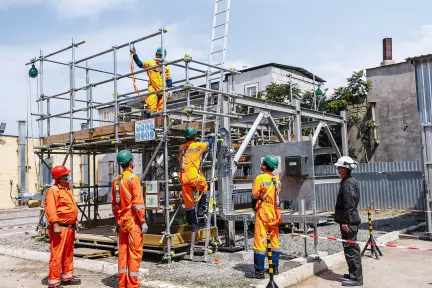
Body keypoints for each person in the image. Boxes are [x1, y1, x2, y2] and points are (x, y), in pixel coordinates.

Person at [112, 150, 147, 288]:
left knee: (123, 252)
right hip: (133, 222)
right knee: (134, 253)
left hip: (122, 221)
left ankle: (123, 284)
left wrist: (117, 220)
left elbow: (115, 205)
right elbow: (138, 203)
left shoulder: (116, 179)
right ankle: (133, 285)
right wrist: (143, 221)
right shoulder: (133, 178)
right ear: (130, 162)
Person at [45, 165, 81, 287]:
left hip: (69, 227)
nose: (68, 177)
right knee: (57, 254)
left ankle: (67, 277)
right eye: (66, 175)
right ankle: (54, 282)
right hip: (60, 227)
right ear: (60, 178)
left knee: (68, 253)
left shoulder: (67, 189)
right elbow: (51, 209)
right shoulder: (53, 191)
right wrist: (55, 225)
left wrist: (75, 220)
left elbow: (71, 207)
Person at [248, 155, 282, 279]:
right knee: (274, 241)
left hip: (263, 212)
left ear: (265, 165)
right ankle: (275, 268)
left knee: (260, 242)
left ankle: (259, 272)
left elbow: (254, 197)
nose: (261, 164)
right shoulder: (277, 180)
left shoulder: (260, 178)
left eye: (263, 163)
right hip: (274, 213)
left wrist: (253, 209)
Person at [178, 126, 215, 231]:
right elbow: (208, 143)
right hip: (194, 177)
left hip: (184, 179)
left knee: (189, 203)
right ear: (194, 136)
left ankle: (193, 225)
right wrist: (212, 137)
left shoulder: (181, 147)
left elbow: (189, 149)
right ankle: (201, 212)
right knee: (204, 188)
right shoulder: (198, 145)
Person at [334, 156, 363, 287]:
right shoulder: (348, 181)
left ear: (344, 169)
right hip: (349, 221)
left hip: (349, 223)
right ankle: (353, 273)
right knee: (349, 249)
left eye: (339, 168)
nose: (337, 169)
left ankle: (356, 278)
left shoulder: (348, 183)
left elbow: (349, 204)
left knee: (351, 250)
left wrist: (345, 222)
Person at [130, 46, 173, 114]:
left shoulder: (166, 67)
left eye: (163, 55)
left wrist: (170, 89)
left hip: (163, 89)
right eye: (160, 55)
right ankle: (150, 120)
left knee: (162, 108)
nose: (161, 57)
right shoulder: (150, 63)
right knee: (151, 106)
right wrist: (134, 54)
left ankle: (159, 120)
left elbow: (169, 78)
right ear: (156, 55)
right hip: (153, 89)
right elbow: (140, 64)